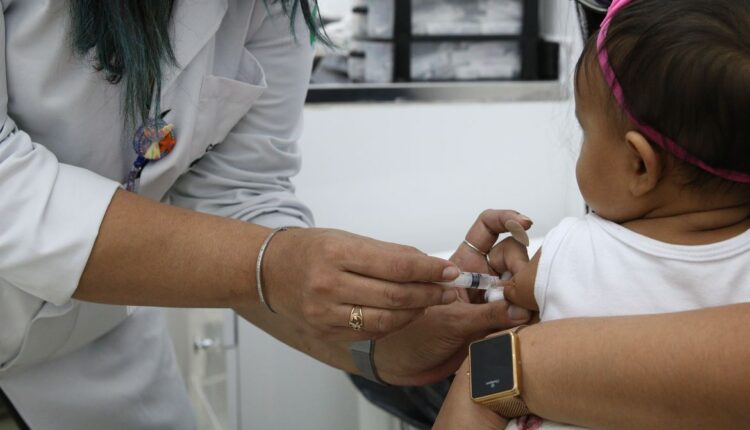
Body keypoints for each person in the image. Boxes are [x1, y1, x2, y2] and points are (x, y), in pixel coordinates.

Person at [0, 1, 534, 428]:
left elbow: (235, 201)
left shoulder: (274, 9)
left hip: (93, 352)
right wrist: (272, 264)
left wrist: (374, 341)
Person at [435, 0, 750, 428]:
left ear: (639, 166)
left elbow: (505, 298)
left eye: (585, 130)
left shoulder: (573, 248)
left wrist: (501, 282)